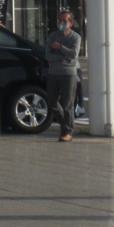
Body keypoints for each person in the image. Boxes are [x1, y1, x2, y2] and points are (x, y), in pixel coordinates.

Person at [45, 10, 81, 142]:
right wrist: (63, 57)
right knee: (52, 102)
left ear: (71, 23)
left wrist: (60, 47)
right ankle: (64, 125)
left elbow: (73, 55)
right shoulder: (52, 36)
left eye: (64, 21)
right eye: (60, 20)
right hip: (53, 73)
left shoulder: (75, 37)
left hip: (68, 74)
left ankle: (68, 131)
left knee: (67, 104)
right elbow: (47, 55)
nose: (61, 23)